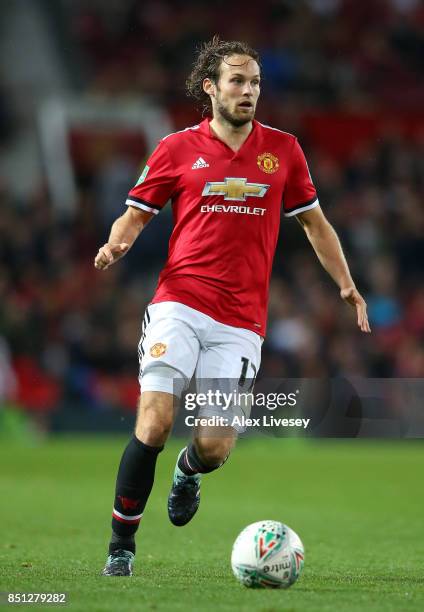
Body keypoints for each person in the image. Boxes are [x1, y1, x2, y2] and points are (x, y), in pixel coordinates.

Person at [95, 36, 371, 577]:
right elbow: (136, 213)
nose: (249, 92)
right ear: (210, 87)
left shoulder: (284, 150)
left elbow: (314, 223)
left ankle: (189, 471)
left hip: (241, 320)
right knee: (153, 421)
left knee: (215, 444)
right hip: (179, 301)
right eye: (238, 82)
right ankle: (120, 548)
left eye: (256, 83)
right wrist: (117, 240)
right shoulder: (176, 148)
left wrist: (346, 284)